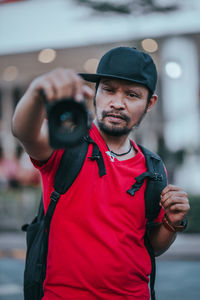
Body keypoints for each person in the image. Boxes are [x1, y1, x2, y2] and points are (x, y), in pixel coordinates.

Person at [12, 47, 190, 300]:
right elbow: (24, 132)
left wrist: (172, 223)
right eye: (108, 89)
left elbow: (152, 246)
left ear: (150, 103)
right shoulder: (66, 143)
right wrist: (36, 93)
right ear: (95, 92)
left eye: (131, 94)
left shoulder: (153, 167)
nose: (117, 103)